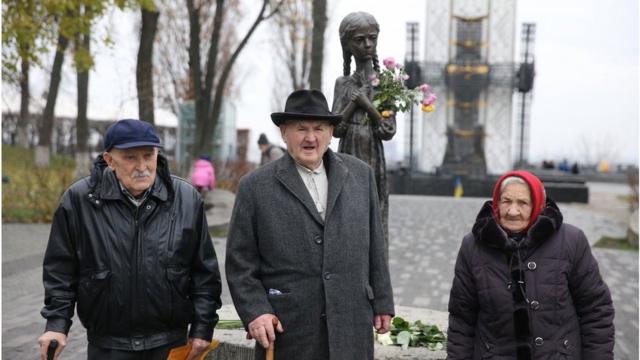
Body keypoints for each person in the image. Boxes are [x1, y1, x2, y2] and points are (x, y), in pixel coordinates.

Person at [226, 89, 394, 359]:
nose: (310, 138)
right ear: (284, 132)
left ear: (330, 132)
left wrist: (383, 302)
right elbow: (239, 264)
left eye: (319, 128)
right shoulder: (254, 187)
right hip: (289, 331)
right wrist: (256, 311)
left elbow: (376, 244)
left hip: (351, 325)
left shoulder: (361, 176)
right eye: (301, 129)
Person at [38, 119, 222, 360]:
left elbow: (204, 273)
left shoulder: (186, 199)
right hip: (108, 344)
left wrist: (202, 328)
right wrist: (56, 324)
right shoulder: (79, 201)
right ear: (109, 160)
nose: (142, 166)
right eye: (130, 157)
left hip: (170, 342)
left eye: (148, 155)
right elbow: (60, 270)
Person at [447, 170, 614, 360]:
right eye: (506, 201)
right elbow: (461, 319)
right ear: (496, 202)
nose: (512, 211)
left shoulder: (571, 241)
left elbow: (596, 310)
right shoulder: (473, 246)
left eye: (523, 203)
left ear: (538, 205)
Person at [332, 12, 396, 242]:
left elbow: (388, 130)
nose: (367, 44)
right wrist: (352, 105)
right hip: (347, 154)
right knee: (346, 212)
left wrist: (368, 106)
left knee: (374, 211)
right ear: (347, 45)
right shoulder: (342, 83)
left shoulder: (385, 83)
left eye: (372, 38)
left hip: (373, 155)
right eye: (359, 40)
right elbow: (335, 129)